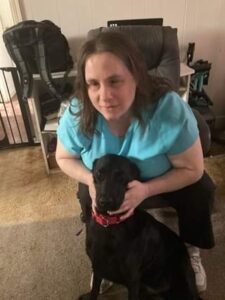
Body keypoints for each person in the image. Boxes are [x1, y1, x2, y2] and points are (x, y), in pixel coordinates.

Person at [56, 31, 215, 294]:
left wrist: (147, 190)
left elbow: (192, 168)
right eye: (93, 83)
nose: (103, 96)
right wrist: (90, 181)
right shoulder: (79, 111)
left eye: (115, 80)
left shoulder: (167, 109)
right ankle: (104, 261)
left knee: (201, 190)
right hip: (107, 178)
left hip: (162, 176)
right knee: (87, 193)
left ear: (137, 77)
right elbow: (63, 156)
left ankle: (189, 249)